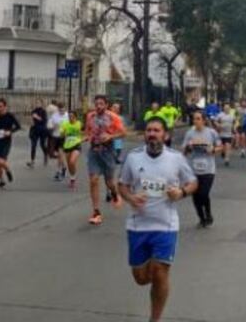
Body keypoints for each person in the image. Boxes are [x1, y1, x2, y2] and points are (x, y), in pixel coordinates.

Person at [118, 117, 198, 322]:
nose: (152, 133)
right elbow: (123, 185)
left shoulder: (176, 158)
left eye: (156, 130)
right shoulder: (133, 157)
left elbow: (193, 183)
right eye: (149, 130)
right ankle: (151, 277)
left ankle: (155, 319)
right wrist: (131, 197)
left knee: (160, 272)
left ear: (165, 135)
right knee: (141, 278)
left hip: (166, 225)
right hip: (137, 225)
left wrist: (180, 193)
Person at [85, 95, 126, 225]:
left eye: (101, 104)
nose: (98, 106)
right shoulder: (90, 116)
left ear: (106, 105)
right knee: (93, 180)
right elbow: (88, 131)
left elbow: (123, 133)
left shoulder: (114, 117)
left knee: (109, 182)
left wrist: (110, 136)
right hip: (94, 151)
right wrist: (88, 137)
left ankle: (114, 194)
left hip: (108, 152)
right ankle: (96, 212)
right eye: (96, 104)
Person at [181, 111, 221, 227]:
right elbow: (184, 151)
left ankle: (208, 214)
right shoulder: (189, 133)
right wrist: (189, 147)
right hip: (193, 169)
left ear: (203, 120)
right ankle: (202, 218)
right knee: (195, 196)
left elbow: (220, 147)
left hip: (208, 169)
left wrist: (212, 150)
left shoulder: (211, 133)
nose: (196, 121)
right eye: (194, 119)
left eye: (198, 119)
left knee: (203, 194)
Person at [0, 98, 20, 190]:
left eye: (1, 106)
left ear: (5, 106)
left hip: (6, 141)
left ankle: (8, 170)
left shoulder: (10, 116)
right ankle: (1, 181)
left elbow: (18, 127)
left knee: (1, 161)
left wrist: (10, 132)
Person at [60, 109, 84, 190]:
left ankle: (73, 178)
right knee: (69, 165)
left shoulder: (79, 124)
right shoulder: (65, 124)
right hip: (67, 145)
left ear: (76, 117)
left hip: (77, 144)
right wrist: (63, 133)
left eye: (72, 116)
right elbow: (62, 134)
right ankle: (72, 178)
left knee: (72, 161)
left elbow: (85, 132)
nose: (71, 118)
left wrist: (83, 138)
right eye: (69, 116)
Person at [47, 102, 69, 180]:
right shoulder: (54, 116)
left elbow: (69, 125)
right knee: (56, 154)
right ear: (58, 109)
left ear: (65, 109)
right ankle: (63, 167)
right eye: (60, 110)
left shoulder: (67, 116)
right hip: (55, 136)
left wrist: (66, 132)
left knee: (60, 153)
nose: (61, 112)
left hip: (63, 137)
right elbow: (49, 125)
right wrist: (52, 127)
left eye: (63, 110)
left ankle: (59, 171)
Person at [27, 102, 49, 168]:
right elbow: (31, 120)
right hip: (34, 131)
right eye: (36, 103)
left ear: (41, 104)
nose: (37, 104)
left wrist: (37, 117)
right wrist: (31, 122)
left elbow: (44, 121)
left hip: (42, 130)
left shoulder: (43, 111)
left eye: (39, 103)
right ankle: (32, 162)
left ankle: (45, 155)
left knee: (42, 145)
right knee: (33, 146)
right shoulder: (33, 111)